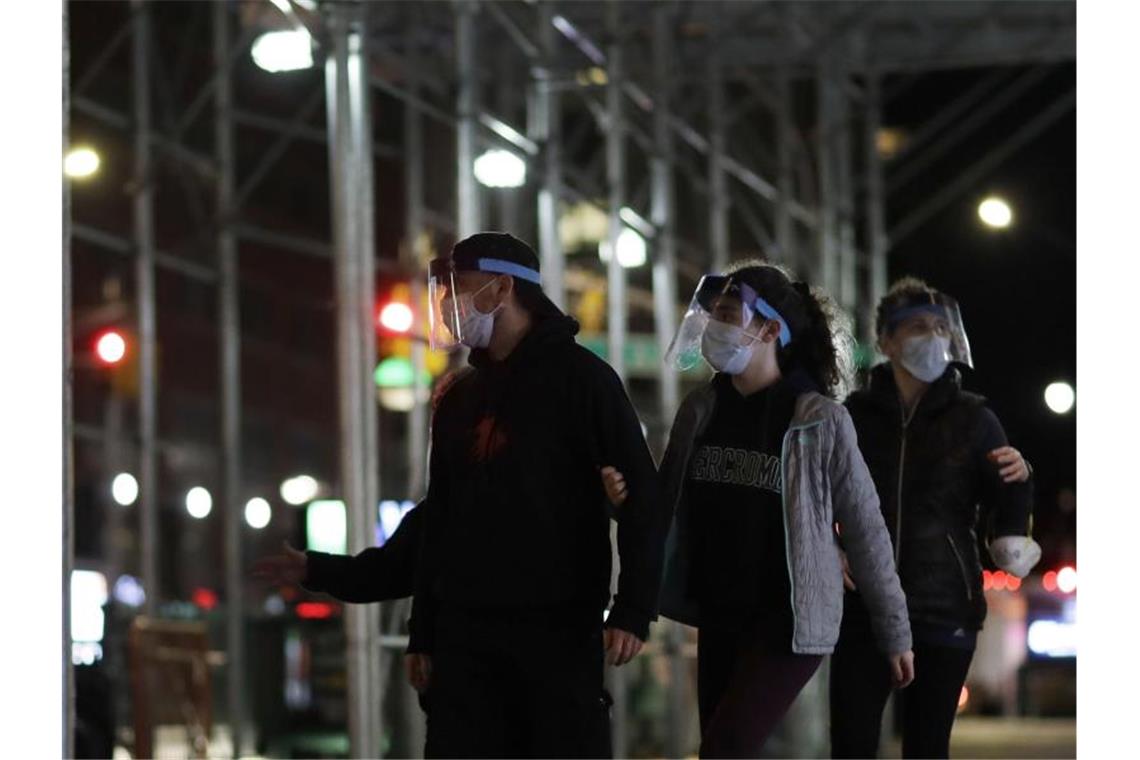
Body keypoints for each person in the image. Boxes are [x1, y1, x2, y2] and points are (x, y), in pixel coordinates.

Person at [606, 261, 914, 758]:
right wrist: (623, 504)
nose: (713, 326)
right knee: (720, 746)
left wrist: (895, 631)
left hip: (788, 624)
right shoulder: (700, 410)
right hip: (720, 610)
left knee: (724, 748)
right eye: (714, 314)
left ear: (771, 329)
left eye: (728, 314)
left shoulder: (820, 421)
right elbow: (668, 507)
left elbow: (866, 529)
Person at [404, 232, 671, 758]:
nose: (446, 303)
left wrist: (634, 608)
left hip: (557, 632)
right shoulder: (459, 398)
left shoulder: (585, 382)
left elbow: (643, 497)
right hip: (464, 636)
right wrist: (423, 630)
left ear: (503, 288)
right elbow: (441, 521)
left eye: (459, 286)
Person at [829, 277, 1038, 759]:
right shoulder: (853, 415)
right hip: (862, 610)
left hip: (944, 609)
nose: (933, 336)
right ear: (886, 341)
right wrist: (830, 545)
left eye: (942, 328)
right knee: (853, 744)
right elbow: (818, 493)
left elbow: (1006, 501)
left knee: (927, 746)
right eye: (918, 327)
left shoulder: (975, 418)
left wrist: (1023, 476)